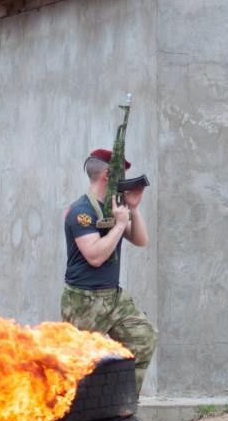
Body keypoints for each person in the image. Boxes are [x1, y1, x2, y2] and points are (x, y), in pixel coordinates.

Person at [61, 149, 157, 398]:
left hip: (113, 297)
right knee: (75, 368)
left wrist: (133, 209)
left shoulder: (113, 207)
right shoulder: (81, 211)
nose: (124, 178)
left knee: (143, 337)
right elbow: (94, 256)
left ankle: (122, 407)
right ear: (107, 175)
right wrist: (121, 224)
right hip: (84, 301)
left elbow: (141, 240)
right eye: (120, 173)